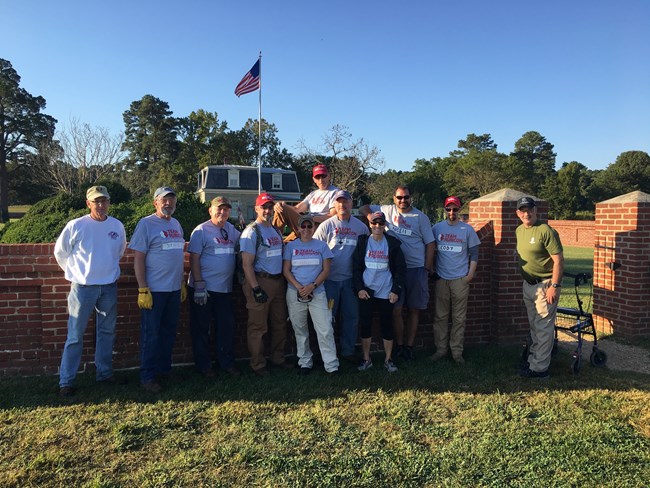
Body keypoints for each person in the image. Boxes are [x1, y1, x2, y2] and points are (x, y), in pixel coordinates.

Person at [54, 185, 127, 397]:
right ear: (88, 203)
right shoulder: (76, 225)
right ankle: (66, 381)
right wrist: (76, 273)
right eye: (96, 201)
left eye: (104, 201)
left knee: (107, 332)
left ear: (109, 203)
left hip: (108, 287)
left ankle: (104, 373)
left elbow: (119, 251)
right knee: (75, 335)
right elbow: (61, 253)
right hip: (82, 288)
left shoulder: (117, 226)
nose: (101, 205)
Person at [360, 184, 434, 361]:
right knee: (396, 310)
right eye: (399, 197)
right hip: (393, 270)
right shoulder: (386, 210)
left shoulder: (420, 217)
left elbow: (430, 244)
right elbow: (363, 207)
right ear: (394, 198)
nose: (403, 200)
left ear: (410, 198)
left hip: (416, 268)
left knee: (414, 309)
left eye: (406, 197)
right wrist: (372, 218)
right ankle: (399, 345)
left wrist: (426, 268)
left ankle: (409, 346)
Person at [129, 187, 187, 393]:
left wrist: (181, 282)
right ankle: (147, 376)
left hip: (172, 290)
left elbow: (178, 256)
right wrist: (143, 288)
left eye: (172, 200)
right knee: (151, 335)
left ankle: (164, 370)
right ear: (155, 203)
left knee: (168, 333)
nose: (168, 204)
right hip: (154, 291)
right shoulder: (146, 224)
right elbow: (139, 258)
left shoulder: (176, 224)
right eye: (164, 200)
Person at [187, 196, 241, 378]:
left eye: (226, 209)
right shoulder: (201, 230)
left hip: (224, 290)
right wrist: (199, 284)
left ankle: (225, 363)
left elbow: (243, 245)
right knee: (202, 329)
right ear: (210, 210)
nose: (222, 212)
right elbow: (193, 258)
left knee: (226, 327)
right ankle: (204, 366)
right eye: (219, 209)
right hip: (204, 289)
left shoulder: (231, 230)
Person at [313, 189, 369, 362]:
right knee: (327, 319)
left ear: (351, 204)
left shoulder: (361, 227)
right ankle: (327, 354)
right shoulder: (326, 226)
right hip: (329, 282)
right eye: (338, 202)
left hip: (351, 282)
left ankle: (348, 352)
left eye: (345, 201)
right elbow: (315, 251)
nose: (342, 205)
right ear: (334, 205)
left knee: (351, 318)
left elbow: (368, 251)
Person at [240, 193, 292, 376]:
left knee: (279, 323)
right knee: (258, 326)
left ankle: (278, 358)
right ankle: (258, 364)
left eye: (270, 207)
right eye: (264, 207)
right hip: (260, 281)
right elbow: (246, 264)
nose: (267, 211)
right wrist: (255, 288)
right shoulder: (252, 231)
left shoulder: (276, 230)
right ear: (256, 209)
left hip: (278, 282)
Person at [283, 214, 339, 374]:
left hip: (318, 292)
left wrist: (312, 286)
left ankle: (331, 365)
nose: (306, 229)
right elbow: (286, 270)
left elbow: (326, 270)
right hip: (296, 293)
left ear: (314, 228)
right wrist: (300, 288)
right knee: (300, 329)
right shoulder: (291, 247)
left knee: (325, 329)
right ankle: (305, 362)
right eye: (303, 226)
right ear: (298, 228)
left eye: (309, 226)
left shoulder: (322, 246)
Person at [515, 196, 564, 379]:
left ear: (536, 210)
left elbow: (558, 260)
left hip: (545, 285)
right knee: (535, 326)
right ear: (518, 213)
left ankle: (540, 369)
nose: (526, 213)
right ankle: (534, 360)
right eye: (523, 210)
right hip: (528, 285)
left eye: (529, 209)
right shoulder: (519, 230)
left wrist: (555, 286)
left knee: (543, 326)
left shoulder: (546, 231)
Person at [352, 211, 406, 373]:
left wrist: (396, 290)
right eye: (374, 223)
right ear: (370, 224)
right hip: (367, 292)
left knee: (387, 325)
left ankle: (388, 359)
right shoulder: (362, 243)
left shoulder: (393, 244)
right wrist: (359, 288)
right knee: (366, 325)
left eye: (380, 223)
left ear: (384, 225)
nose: (377, 226)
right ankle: (366, 359)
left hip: (386, 291)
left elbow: (400, 269)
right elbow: (355, 268)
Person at [430, 196, 481, 364]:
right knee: (440, 317)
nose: (452, 212)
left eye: (455, 209)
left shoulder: (466, 230)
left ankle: (457, 352)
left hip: (460, 279)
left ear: (459, 210)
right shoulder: (437, 228)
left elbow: (474, 254)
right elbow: (429, 248)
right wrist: (431, 269)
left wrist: (470, 275)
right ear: (445, 210)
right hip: (442, 279)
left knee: (459, 318)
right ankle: (441, 350)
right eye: (448, 209)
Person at [273, 164, 338, 241]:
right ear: (314, 179)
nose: (321, 180)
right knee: (285, 245)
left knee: (283, 208)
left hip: (318, 226)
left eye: (323, 176)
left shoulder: (335, 193)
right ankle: (273, 240)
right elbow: (297, 209)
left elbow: (334, 217)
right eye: (318, 177)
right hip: (305, 222)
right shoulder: (313, 194)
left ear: (329, 176)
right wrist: (281, 205)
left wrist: (313, 218)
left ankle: (272, 238)